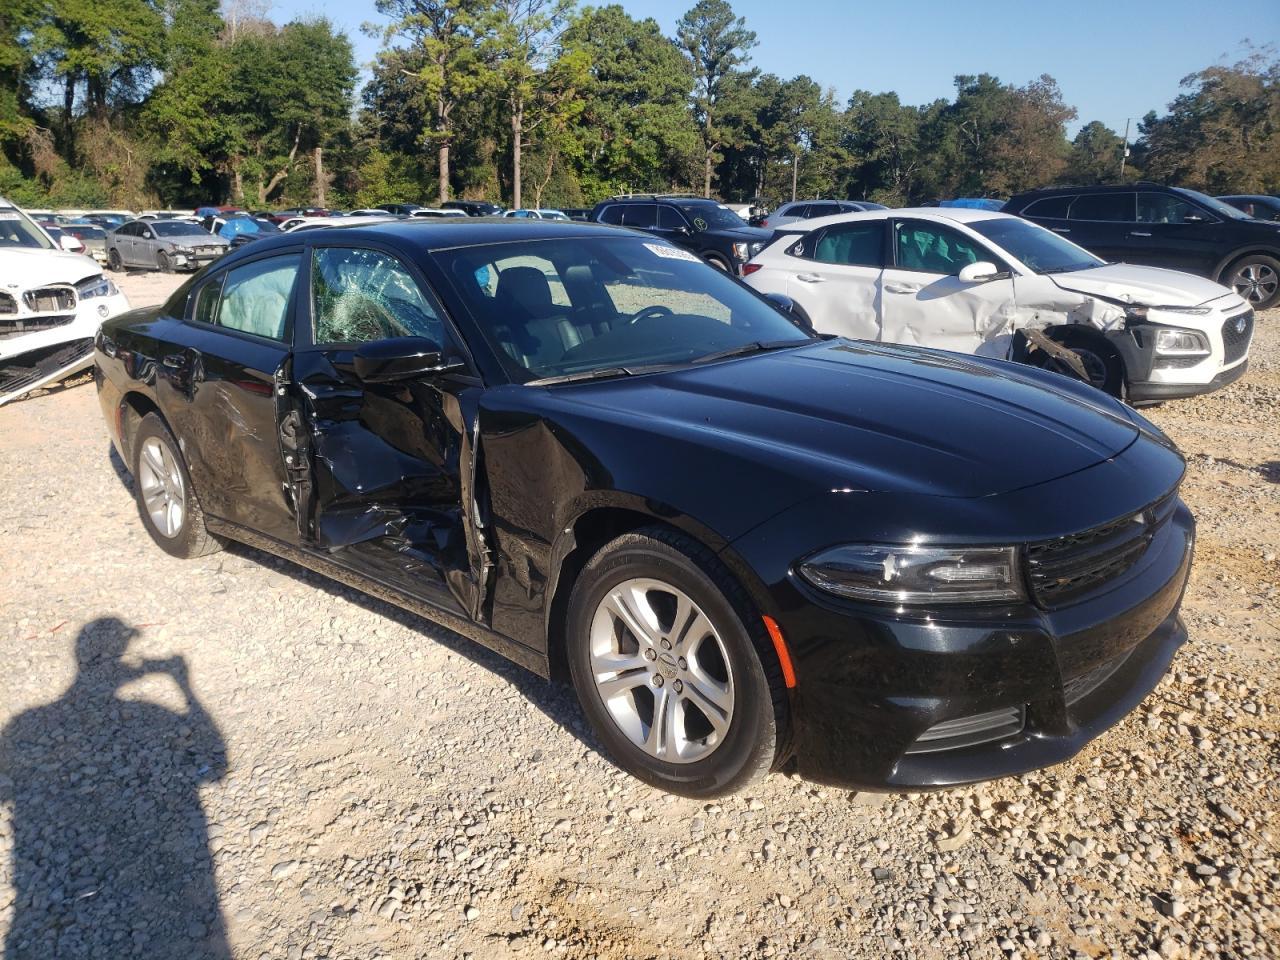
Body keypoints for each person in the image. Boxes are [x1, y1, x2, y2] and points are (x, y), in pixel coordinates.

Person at [0, 618, 229, 959]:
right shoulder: (155, 712)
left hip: (44, 903)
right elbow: (219, 765)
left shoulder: (25, 724)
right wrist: (184, 684)